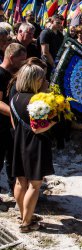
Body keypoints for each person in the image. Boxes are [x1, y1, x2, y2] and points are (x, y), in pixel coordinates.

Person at [10, 63, 55, 232]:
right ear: (36, 80)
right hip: (35, 144)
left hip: (19, 142)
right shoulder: (36, 100)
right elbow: (38, 128)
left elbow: (14, 123)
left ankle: (24, 214)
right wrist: (53, 121)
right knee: (34, 185)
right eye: (43, 78)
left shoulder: (14, 97)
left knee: (20, 181)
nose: (46, 80)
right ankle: (27, 223)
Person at [0, 43, 27, 198]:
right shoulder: (0, 74)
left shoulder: (13, 74)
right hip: (1, 125)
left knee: (12, 160)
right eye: (21, 60)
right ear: (11, 58)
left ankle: (14, 191)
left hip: (11, 127)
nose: (23, 63)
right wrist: (16, 112)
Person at [39, 14, 64, 79]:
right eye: (57, 23)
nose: (59, 25)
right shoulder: (45, 33)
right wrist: (54, 65)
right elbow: (45, 52)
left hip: (57, 63)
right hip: (47, 65)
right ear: (52, 22)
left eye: (61, 23)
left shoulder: (60, 35)